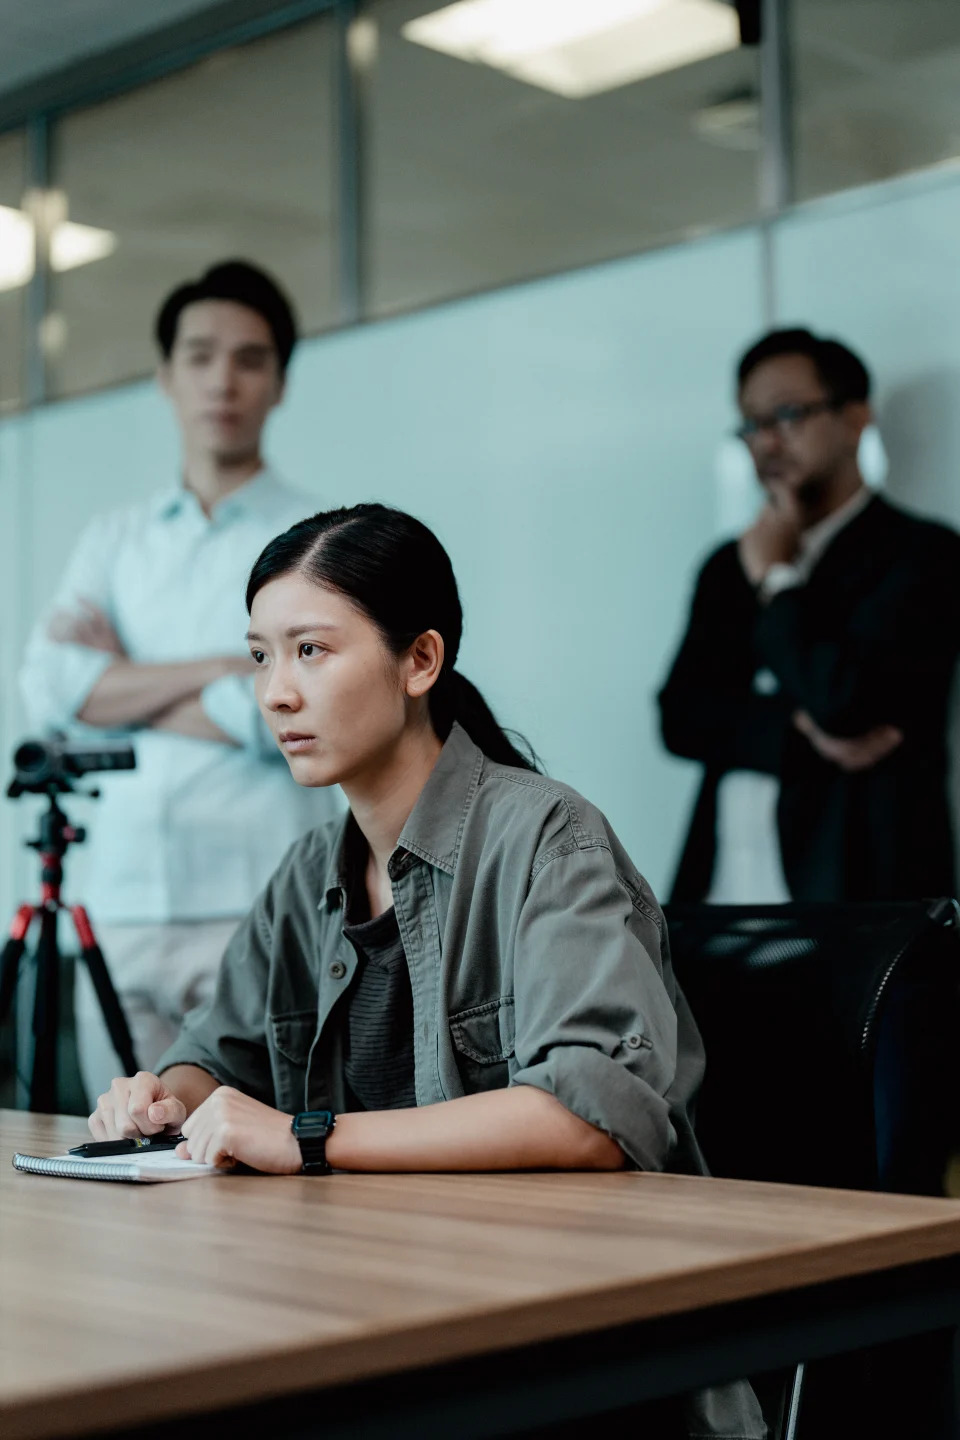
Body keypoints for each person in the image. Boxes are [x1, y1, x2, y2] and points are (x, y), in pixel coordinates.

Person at [89, 503, 765, 1440]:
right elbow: (218, 1054)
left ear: (420, 661)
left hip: (570, 1353)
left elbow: (590, 1114)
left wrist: (309, 1136)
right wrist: (163, 1097)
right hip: (376, 1313)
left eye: (311, 651)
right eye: (259, 656)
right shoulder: (304, 879)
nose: (276, 693)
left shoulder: (547, 838)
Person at [19, 259, 337, 1103]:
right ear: (165, 377)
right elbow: (48, 688)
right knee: (126, 1162)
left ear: (279, 381)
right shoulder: (115, 538)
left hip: (262, 901)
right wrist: (221, 669)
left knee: (260, 1165)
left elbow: (314, 715)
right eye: (199, 356)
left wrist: (123, 680)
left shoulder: (321, 538)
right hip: (119, 901)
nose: (222, 380)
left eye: (249, 358)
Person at [659, 327, 960, 903]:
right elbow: (681, 715)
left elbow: (845, 702)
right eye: (751, 424)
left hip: (862, 908)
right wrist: (798, 730)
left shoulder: (924, 554)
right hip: (723, 906)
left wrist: (777, 580)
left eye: (788, 415)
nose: (767, 442)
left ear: (854, 419)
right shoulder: (728, 566)